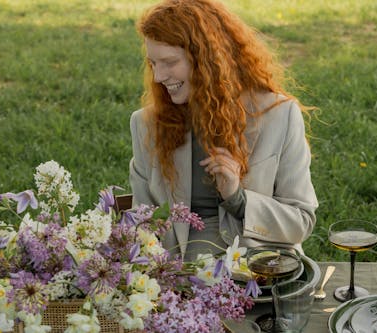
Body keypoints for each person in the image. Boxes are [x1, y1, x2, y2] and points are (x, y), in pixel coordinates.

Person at [129, 0, 318, 261]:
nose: (159, 76)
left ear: (206, 59)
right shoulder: (146, 124)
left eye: (169, 62)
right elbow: (142, 222)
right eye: (152, 63)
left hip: (259, 269)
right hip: (178, 275)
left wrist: (237, 198)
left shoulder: (279, 115)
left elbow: (301, 222)